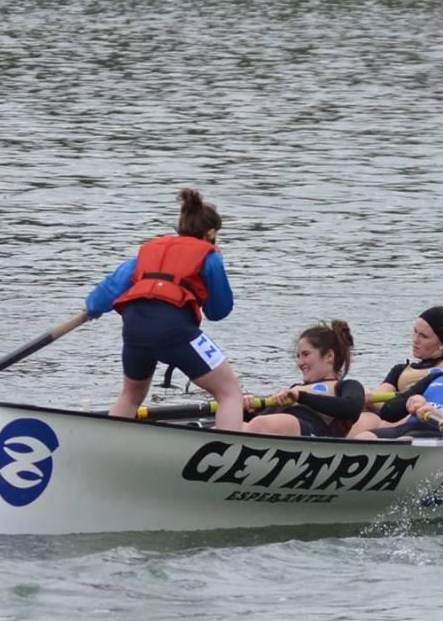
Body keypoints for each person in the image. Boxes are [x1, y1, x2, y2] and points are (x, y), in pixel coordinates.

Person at [86, 187, 246, 431]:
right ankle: (228, 452)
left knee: (130, 397)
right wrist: (217, 266)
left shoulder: (150, 251)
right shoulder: (209, 256)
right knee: (229, 393)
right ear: (211, 233)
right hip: (175, 330)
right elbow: (218, 311)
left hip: (134, 329)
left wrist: (93, 309)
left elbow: (105, 294)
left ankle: (105, 444)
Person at [244, 321, 365, 437]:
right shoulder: (295, 389)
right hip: (272, 428)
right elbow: (256, 419)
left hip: (317, 434)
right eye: (298, 356)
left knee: (261, 424)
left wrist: (302, 397)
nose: (299, 363)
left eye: (306, 354)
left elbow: (352, 407)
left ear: (329, 356)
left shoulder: (347, 386)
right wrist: (246, 407)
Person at [381, 306, 443, 395]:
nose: (415, 339)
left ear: (442, 344)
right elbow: (377, 402)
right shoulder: (399, 371)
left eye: (423, 336)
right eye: (415, 331)